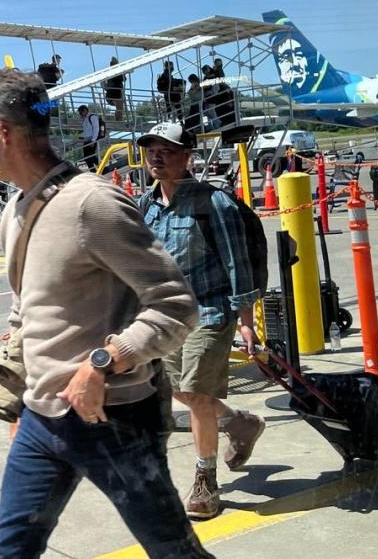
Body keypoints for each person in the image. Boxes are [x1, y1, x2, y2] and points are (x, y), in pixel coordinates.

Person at [0, 69, 210, 559]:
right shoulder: (16, 209)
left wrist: (104, 362)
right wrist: (19, 393)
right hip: (42, 419)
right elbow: (26, 309)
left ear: (3, 132)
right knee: (10, 550)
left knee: (174, 552)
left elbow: (176, 306)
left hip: (113, 420)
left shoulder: (91, 203)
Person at [137, 123, 266, 520]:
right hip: (167, 315)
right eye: (151, 149)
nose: (156, 156)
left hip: (210, 311)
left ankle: (206, 481)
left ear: (187, 156)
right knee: (181, 391)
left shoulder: (216, 204)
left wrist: (246, 319)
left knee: (195, 394)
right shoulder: (146, 204)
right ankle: (239, 423)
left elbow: (236, 262)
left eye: (168, 150)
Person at [76, 104, 101, 171]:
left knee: (89, 157)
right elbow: (87, 131)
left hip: (91, 140)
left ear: (85, 110)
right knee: (87, 157)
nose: (80, 114)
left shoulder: (92, 117)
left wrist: (93, 140)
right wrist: (81, 137)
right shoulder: (85, 119)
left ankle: (102, 169)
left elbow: (96, 129)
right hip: (87, 140)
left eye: (81, 112)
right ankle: (95, 170)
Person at [104, 56, 125, 121]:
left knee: (120, 107)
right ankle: (118, 120)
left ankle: (118, 120)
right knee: (119, 106)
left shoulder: (118, 73)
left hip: (117, 94)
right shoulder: (111, 73)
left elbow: (123, 79)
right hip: (112, 95)